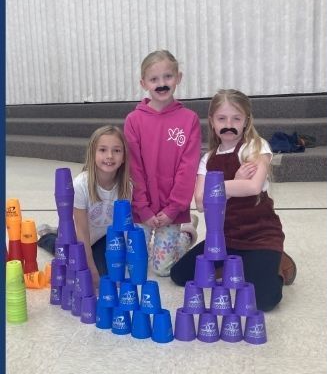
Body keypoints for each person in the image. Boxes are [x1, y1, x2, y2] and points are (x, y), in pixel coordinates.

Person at [169, 89, 301, 311]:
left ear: (246, 121)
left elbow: (252, 186)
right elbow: (200, 203)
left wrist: (220, 188)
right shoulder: (207, 159)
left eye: (236, 118)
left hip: (260, 236)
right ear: (212, 121)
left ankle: (279, 264)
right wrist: (233, 182)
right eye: (222, 118)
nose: (228, 124)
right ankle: (236, 266)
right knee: (179, 275)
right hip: (225, 238)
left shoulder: (256, 147)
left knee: (263, 300)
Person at [124, 50, 201, 277]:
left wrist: (173, 209)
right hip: (142, 208)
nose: (161, 84)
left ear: (178, 77)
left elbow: (188, 169)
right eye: (154, 79)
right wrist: (143, 208)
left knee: (163, 269)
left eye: (167, 77)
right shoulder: (133, 120)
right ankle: (161, 236)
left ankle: (186, 233)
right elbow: (133, 168)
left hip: (172, 209)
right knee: (134, 264)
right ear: (143, 83)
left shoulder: (189, 120)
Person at [37, 126, 135, 279]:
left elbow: (122, 228)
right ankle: (48, 236)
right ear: (93, 153)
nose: (109, 156)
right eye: (102, 150)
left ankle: (57, 232)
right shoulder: (80, 185)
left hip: (103, 237)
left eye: (116, 150)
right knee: (66, 255)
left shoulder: (127, 187)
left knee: (110, 275)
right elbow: (82, 231)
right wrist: (90, 267)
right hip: (81, 237)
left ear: (123, 157)